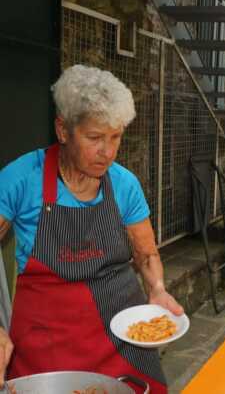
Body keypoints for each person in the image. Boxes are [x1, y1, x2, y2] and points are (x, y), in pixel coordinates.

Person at [0, 65, 183, 393]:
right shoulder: (22, 179)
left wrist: (156, 287)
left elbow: (146, 254)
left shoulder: (125, 185)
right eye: (95, 138)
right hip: (47, 345)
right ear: (63, 130)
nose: (108, 152)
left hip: (122, 341)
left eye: (116, 137)